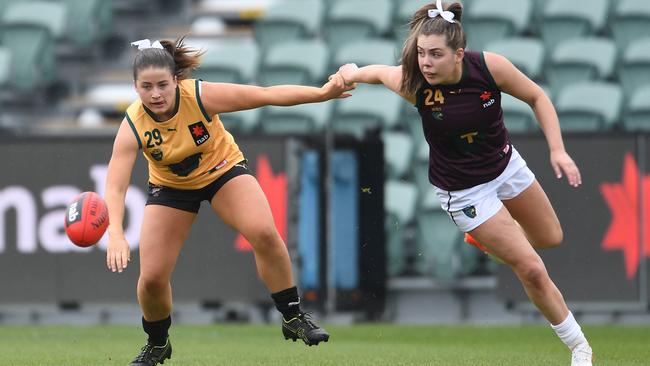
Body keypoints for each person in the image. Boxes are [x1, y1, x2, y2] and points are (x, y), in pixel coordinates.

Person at [338, 1, 592, 365]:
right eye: (422, 53)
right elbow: (379, 73)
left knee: (550, 238)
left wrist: (558, 151)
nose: (426, 62)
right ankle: (580, 348)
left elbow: (537, 96)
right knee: (532, 267)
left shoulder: (489, 67)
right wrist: (351, 71)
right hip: (465, 191)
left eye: (436, 55)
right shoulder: (416, 85)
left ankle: (484, 236)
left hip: (507, 167)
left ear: (459, 54)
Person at [105, 37, 353, 366]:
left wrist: (322, 94)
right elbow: (115, 186)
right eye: (146, 87)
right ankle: (157, 343)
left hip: (222, 171)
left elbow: (264, 96)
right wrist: (116, 233)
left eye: (163, 85)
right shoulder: (133, 124)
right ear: (135, 88)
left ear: (176, 80)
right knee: (151, 278)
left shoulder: (199, 96)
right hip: (171, 188)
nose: (156, 94)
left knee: (264, 232)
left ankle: (293, 317)